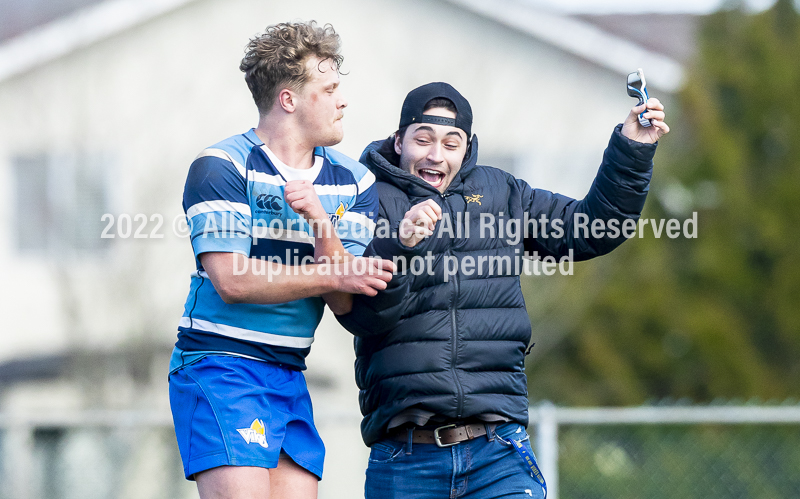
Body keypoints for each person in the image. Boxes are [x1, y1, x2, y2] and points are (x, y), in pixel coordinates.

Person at [336, 81, 669, 498]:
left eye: (450, 143)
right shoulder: (364, 200)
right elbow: (362, 316)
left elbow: (592, 229)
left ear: (468, 148)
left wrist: (631, 150)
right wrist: (399, 246)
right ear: (399, 140)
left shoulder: (502, 193)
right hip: (405, 459)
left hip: (499, 454)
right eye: (422, 140)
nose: (435, 155)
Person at [168, 21, 393, 499]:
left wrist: (319, 221)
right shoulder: (222, 166)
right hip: (222, 363)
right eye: (329, 89)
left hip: (290, 369)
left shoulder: (355, 181)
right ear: (289, 99)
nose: (342, 100)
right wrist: (335, 272)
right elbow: (233, 281)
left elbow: (343, 299)